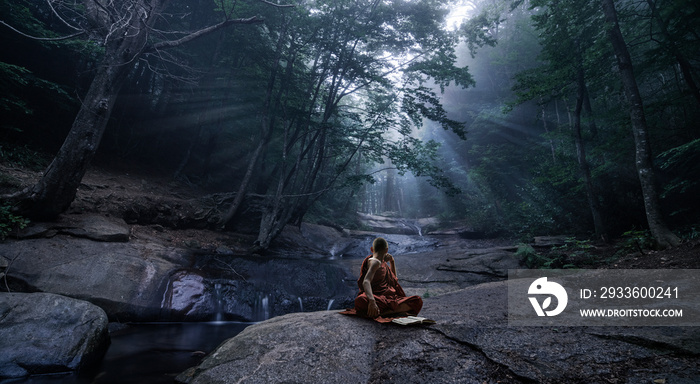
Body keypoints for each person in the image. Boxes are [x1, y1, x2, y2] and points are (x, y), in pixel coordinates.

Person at [353, 237, 423, 318]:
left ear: (372, 249)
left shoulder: (382, 262)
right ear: (386, 250)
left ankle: (382, 313)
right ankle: (389, 312)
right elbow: (366, 281)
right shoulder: (375, 262)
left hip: (387, 297)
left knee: (417, 301)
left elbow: (393, 280)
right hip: (375, 297)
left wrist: (392, 262)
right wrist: (372, 302)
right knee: (361, 300)